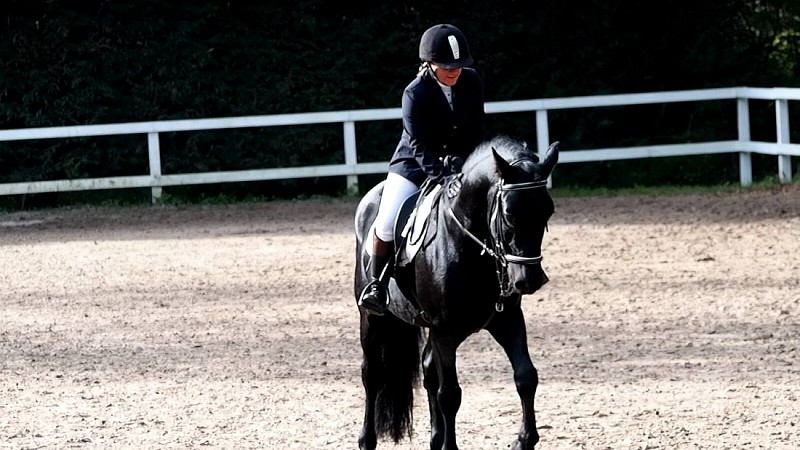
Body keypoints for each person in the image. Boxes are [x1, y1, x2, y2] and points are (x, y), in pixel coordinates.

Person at [358, 23, 486, 315]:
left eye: (458, 65)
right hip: (414, 165)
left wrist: (464, 162)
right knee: (386, 221)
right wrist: (442, 175)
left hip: (460, 161)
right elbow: (417, 144)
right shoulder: (415, 93)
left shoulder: (472, 81)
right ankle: (377, 286)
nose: (454, 71)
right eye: (447, 66)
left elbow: (477, 128)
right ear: (429, 63)